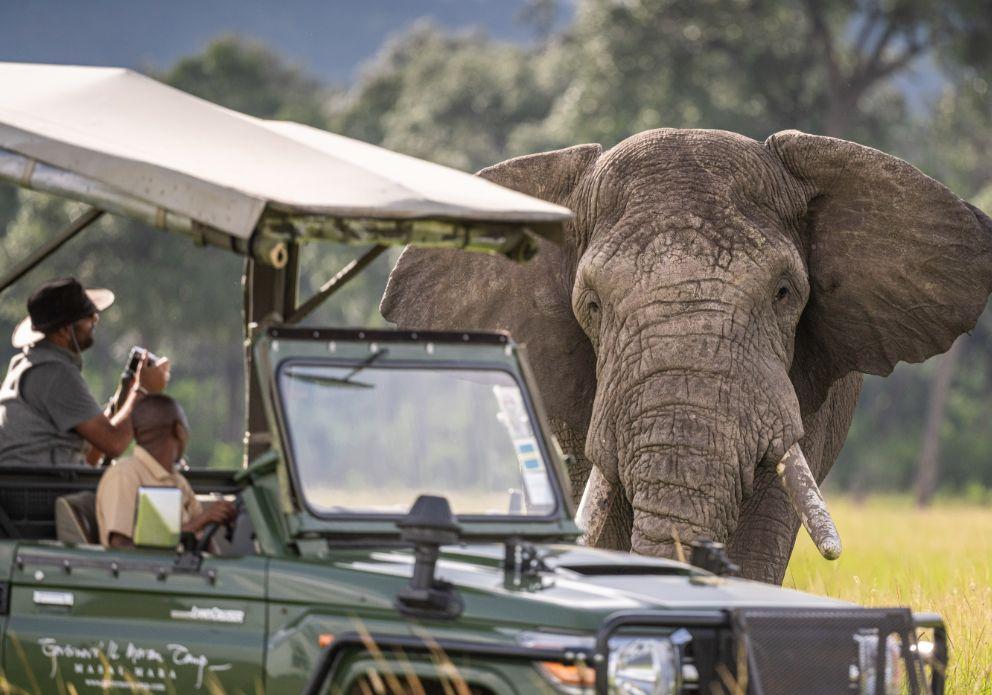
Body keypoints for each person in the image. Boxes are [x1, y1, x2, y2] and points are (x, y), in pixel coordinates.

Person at [0, 277, 168, 466]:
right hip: (41, 490)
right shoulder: (54, 373)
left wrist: (125, 396)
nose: (95, 319)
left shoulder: (32, 364)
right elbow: (114, 444)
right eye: (88, 316)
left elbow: (93, 451)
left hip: (40, 484)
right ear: (64, 330)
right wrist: (143, 390)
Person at [96, 394, 235, 548]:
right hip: (147, 572)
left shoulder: (177, 480)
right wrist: (197, 524)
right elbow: (121, 547)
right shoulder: (124, 475)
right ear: (179, 430)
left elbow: (203, 543)